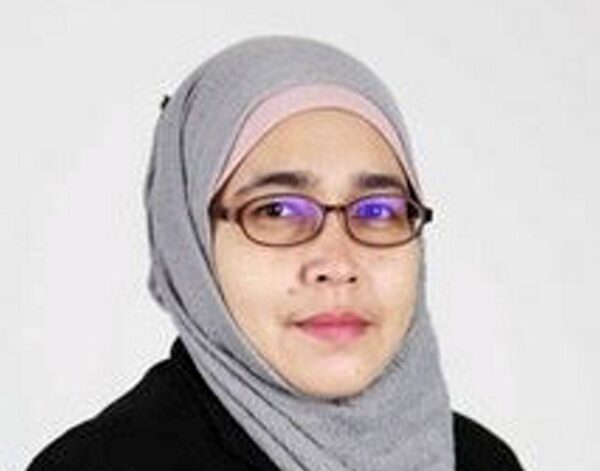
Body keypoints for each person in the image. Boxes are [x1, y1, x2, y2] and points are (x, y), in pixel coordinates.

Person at [27, 35, 524, 470]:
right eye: (277, 210)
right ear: (191, 246)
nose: (337, 264)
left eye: (378, 210)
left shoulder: (479, 461)